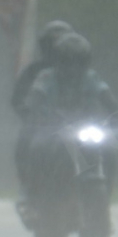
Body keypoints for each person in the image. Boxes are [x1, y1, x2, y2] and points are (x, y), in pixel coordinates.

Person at [19, 32, 118, 218]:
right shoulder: (46, 77)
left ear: (86, 62)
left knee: (109, 151)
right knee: (35, 149)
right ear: (58, 61)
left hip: (86, 129)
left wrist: (116, 113)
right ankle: (31, 196)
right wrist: (30, 107)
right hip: (52, 131)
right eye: (68, 61)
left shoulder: (91, 77)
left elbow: (106, 95)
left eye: (78, 62)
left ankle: (105, 197)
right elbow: (35, 96)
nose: (73, 68)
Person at [13, 20, 74, 209]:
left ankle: (98, 187)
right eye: (53, 43)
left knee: (103, 148)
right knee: (23, 144)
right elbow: (17, 99)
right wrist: (28, 112)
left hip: (75, 125)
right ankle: (27, 187)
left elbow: (96, 93)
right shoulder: (33, 71)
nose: (57, 48)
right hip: (41, 125)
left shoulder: (80, 70)